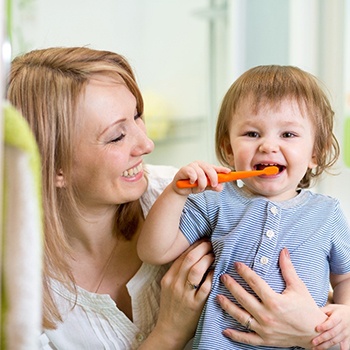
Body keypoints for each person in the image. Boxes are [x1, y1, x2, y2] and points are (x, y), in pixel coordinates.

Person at [6, 46, 215, 349]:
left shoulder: (192, 200)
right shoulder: (16, 288)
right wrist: (170, 331)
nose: (146, 144)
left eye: (137, 116)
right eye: (117, 136)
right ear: (54, 168)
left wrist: (302, 327)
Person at [137, 65, 350, 349]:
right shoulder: (214, 200)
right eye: (252, 134)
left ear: (315, 153)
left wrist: (346, 315)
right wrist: (175, 193)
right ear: (228, 149)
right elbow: (154, 251)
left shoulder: (327, 214)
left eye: (287, 135)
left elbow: (346, 276)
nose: (268, 146)